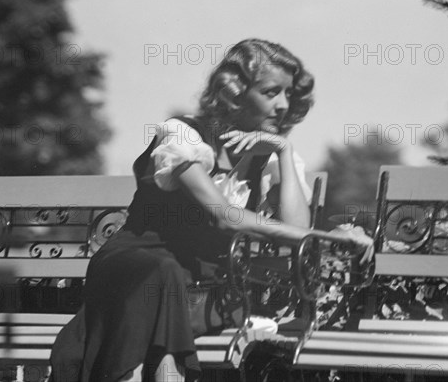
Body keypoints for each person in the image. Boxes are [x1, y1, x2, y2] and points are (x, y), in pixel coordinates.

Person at [50, 38, 372, 382]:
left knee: (170, 284)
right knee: (164, 273)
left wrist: (283, 151)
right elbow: (224, 216)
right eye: (270, 92)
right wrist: (325, 237)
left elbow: (297, 232)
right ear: (234, 93)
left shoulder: (269, 159)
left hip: (203, 285)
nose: (282, 104)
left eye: (288, 94)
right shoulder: (183, 136)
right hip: (133, 264)